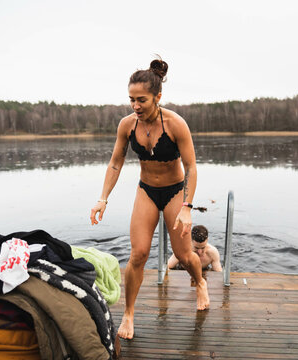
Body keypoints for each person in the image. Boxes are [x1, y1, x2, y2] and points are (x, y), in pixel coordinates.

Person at [90, 57, 210, 340]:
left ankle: (200, 281)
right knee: (138, 254)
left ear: (158, 96)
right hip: (146, 190)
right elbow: (116, 163)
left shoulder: (176, 124)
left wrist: (187, 207)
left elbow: (192, 167)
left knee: (183, 255)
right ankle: (129, 314)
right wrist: (103, 199)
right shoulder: (127, 125)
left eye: (141, 99)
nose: (135, 106)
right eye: (131, 99)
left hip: (175, 192)